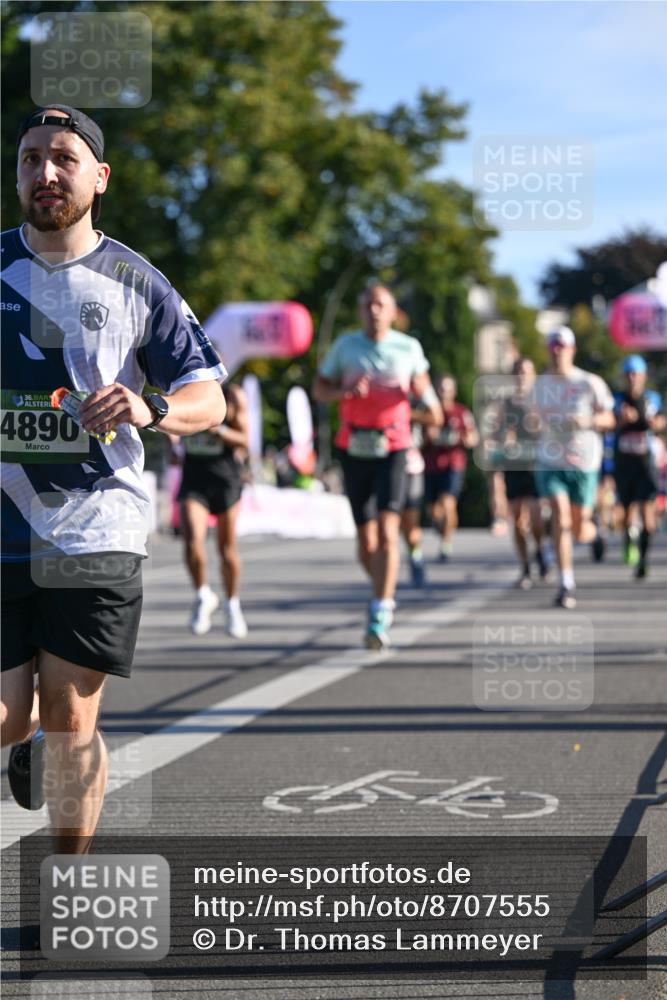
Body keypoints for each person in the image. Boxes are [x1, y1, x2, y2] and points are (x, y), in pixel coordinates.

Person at [1, 105, 227, 851]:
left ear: (98, 177)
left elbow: (209, 395)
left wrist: (148, 404)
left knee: (69, 720)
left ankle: (65, 882)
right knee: (8, 716)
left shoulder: (137, 281)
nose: (46, 173)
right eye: (31, 158)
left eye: (63, 158)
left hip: (95, 529)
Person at [313, 282, 441, 648]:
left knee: (388, 532)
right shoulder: (345, 346)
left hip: (393, 446)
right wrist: (345, 393)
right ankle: (384, 584)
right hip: (353, 446)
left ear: (392, 310)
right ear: (360, 310)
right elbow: (319, 390)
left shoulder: (408, 348)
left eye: (380, 304)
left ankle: (380, 609)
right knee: (366, 543)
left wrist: (418, 407)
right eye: (368, 304)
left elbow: (432, 409)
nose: (373, 310)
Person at [532, 327, 615, 609]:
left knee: (579, 528)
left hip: (583, 462)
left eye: (562, 346)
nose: (557, 351)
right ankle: (566, 582)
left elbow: (609, 419)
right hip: (551, 461)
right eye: (552, 346)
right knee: (560, 516)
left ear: (572, 350)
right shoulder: (539, 385)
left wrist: (589, 421)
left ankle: (595, 533)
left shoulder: (589, 383)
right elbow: (531, 422)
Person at [174, 382, 249, 637]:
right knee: (192, 541)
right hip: (194, 479)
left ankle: (232, 604)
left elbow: (245, 439)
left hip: (225, 479)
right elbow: (172, 436)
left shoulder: (232, 395)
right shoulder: (181, 389)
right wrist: (170, 442)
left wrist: (221, 430)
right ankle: (202, 594)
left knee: (226, 548)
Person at [498, 357, 549, 588]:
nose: (521, 375)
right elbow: (499, 432)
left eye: (526, 371)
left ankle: (540, 549)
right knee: (517, 519)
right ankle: (525, 566)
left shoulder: (541, 400)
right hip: (514, 465)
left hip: (536, 464)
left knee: (537, 519)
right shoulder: (506, 403)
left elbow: (550, 431)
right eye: (518, 371)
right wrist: (504, 439)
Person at [613, 355, 666, 579]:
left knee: (647, 514)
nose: (632, 378)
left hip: (645, 463)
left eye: (636, 374)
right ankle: (627, 535)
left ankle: (643, 560)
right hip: (625, 463)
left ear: (643, 376)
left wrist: (656, 423)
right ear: (624, 377)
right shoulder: (617, 399)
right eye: (628, 374)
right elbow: (610, 420)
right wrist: (621, 419)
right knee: (626, 514)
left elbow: (661, 419)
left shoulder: (651, 398)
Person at [422, 375, 478, 562]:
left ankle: (446, 543)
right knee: (433, 509)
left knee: (448, 503)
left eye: (446, 389)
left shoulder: (461, 412)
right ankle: (441, 526)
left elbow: (473, 437)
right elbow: (416, 441)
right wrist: (428, 438)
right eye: (440, 389)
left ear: (453, 392)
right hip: (430, 465)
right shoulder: (427, 412)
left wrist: (464, 439)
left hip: (453, 464)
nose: (443, 393)